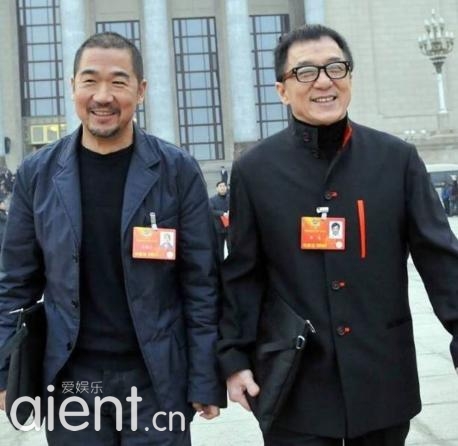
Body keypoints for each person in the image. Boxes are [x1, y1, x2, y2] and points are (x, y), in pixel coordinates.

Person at [218, 24, 458, 446]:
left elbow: (440, 258)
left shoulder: (396, 160)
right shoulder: (255, 171)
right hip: (295, 385)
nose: (324, 81)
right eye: (305, 72)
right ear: (282, 90)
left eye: (335, 67)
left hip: (381, 378)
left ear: (350, 76)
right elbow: (243, 274)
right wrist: (234, 358)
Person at [0, 32, 224, 445]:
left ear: (140, 90)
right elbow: (15, 283)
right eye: (90, 81)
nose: (103, 96)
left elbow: (201, 284)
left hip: (156, 381)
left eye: (119, 82)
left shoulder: (177, 172)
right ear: (73, 87)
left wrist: (205, 376)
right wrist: (4, 371)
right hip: (73, 381)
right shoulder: (38, 175)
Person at [209, 181, 230, 261]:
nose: (222, 188)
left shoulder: (230, 198)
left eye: (224, 186)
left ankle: (231, 264)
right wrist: (222, 213)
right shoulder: (212, 199)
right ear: (217, 188)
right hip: (219, 227)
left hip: (230, 227)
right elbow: (211, 211)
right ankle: (221, 264)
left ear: (226, 188)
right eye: (220, 186)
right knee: (219, 249)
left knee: (231, 247)